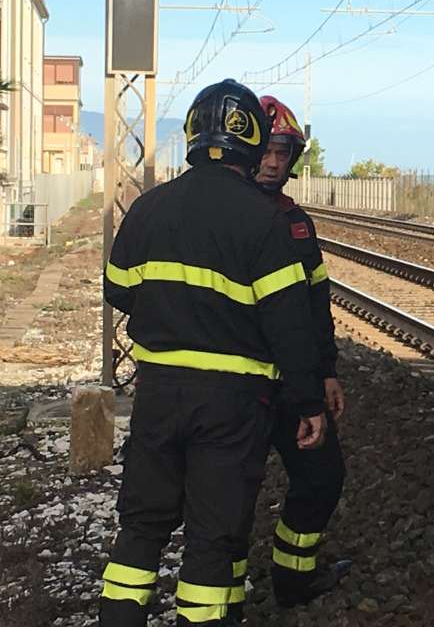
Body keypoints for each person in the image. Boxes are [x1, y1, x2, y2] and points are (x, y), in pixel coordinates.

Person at [99, 79, 328, 627]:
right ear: (251, 142)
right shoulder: (265, 220)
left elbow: (117, 288)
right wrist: (307, 401)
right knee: (212, 534)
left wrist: (173, 306)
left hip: (158, 394)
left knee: (142, 525)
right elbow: (290, 324)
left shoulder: (149, 208)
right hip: (232, 402)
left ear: (193, 136)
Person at [245, 95, 348, 611]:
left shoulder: (297, 223)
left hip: (294, 386)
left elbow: (315, 304)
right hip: (239, 386)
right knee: (233, 492)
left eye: (283, 153)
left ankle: (293, 578)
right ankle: (219, 592)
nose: (272, 161)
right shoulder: (228, 216)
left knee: (323, 476)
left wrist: (326, 372)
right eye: (264, 150)